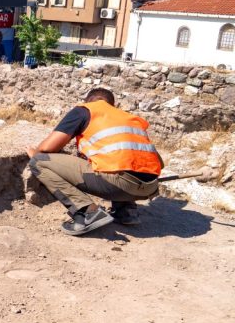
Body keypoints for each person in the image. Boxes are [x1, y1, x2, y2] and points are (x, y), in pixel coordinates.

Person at [27, 88, 162, 235]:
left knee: (39, 161)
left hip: (119, 185)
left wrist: (35, 153)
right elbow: (159, 163)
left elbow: (48, 147)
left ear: (88, 101)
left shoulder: (85, 111)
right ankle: (126, 211)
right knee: (117, 160)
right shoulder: (129, 118)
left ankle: (87, 213)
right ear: (112, 104)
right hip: (150, 187)